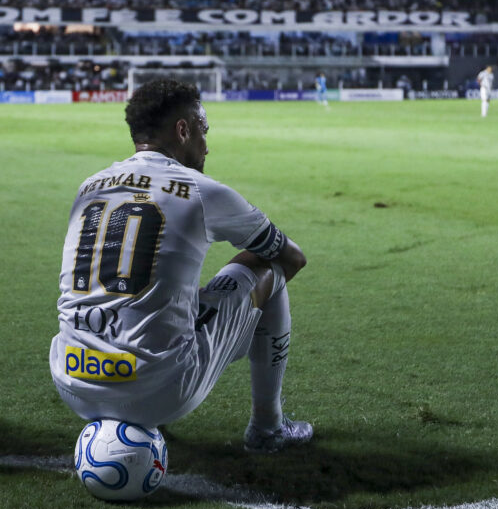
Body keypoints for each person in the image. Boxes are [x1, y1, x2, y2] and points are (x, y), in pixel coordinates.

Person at [49, 79, 313, 453]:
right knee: (266, 268)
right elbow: (292, 258)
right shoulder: (202, 190)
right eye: (203, 131)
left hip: (72, 382)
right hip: (160, 390)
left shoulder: (89, 185)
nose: (207, 144)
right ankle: (268, 429)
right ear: (183, 130)